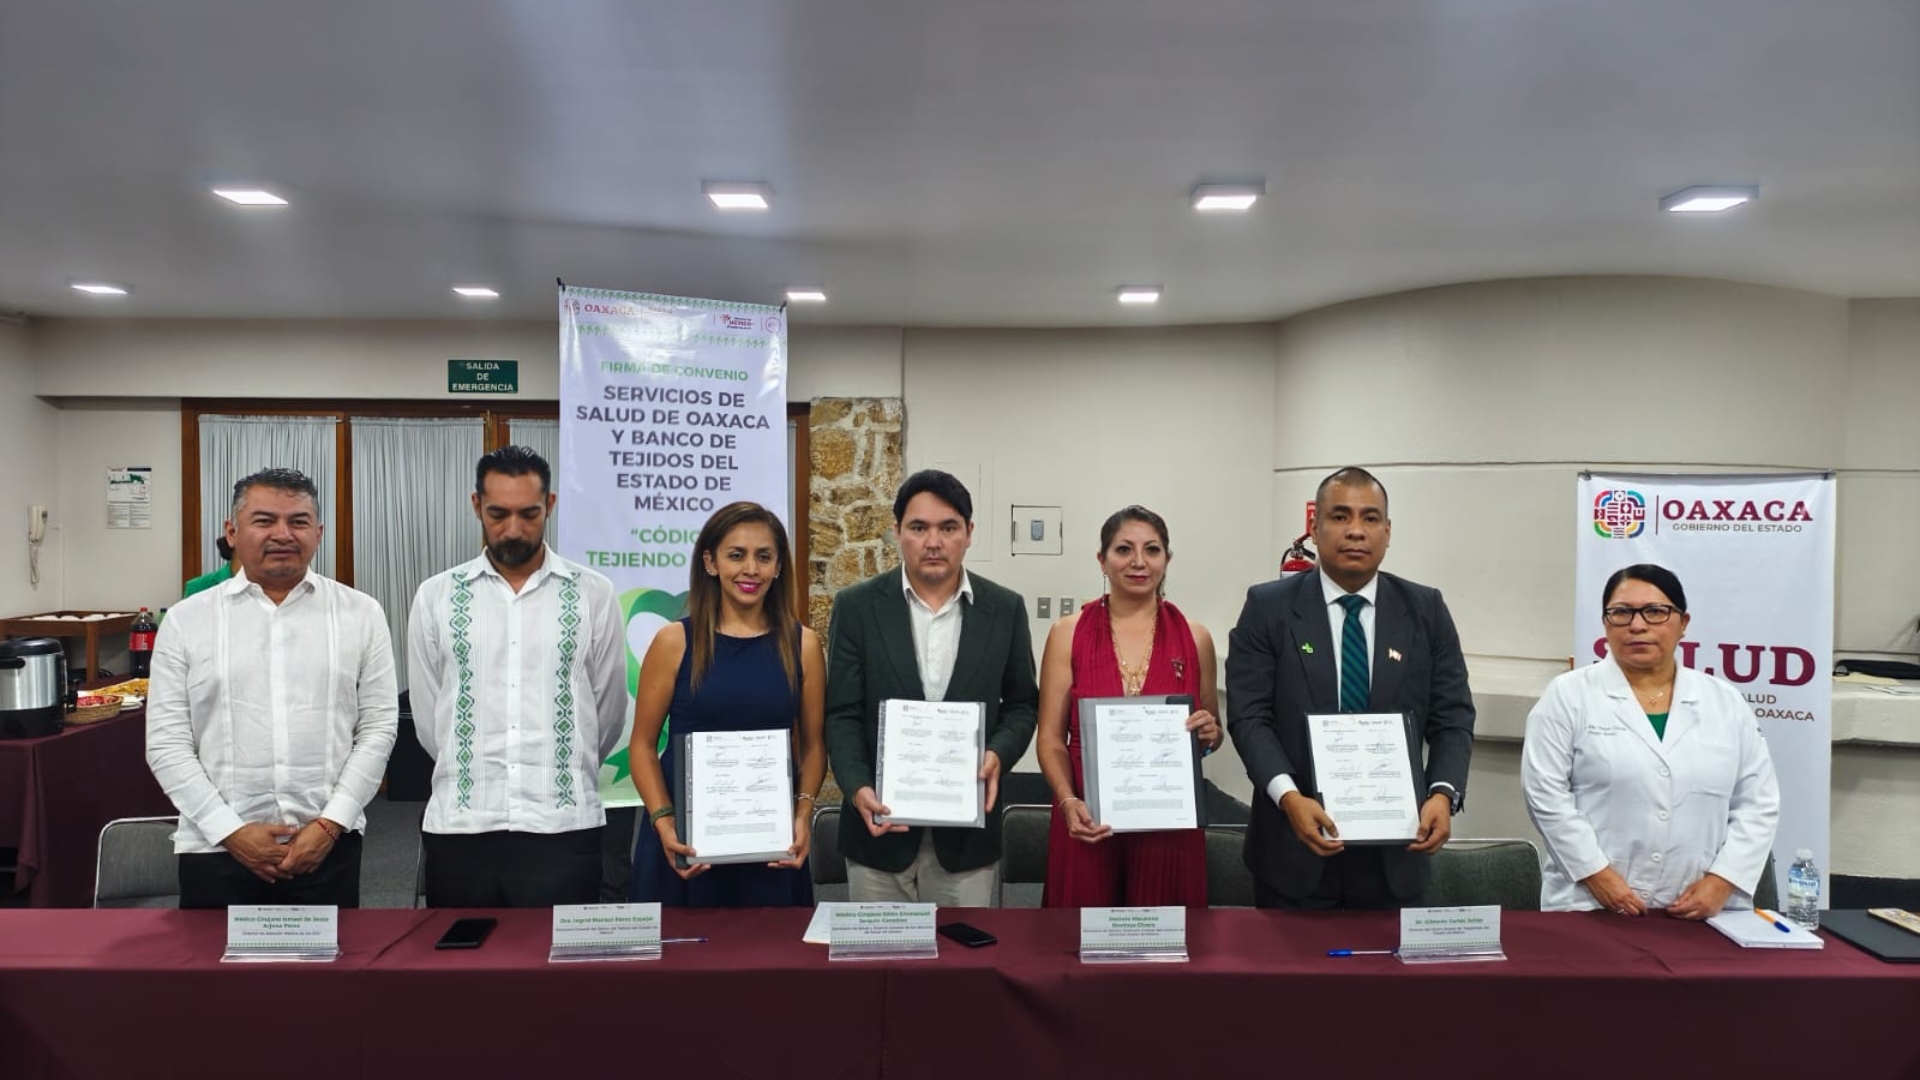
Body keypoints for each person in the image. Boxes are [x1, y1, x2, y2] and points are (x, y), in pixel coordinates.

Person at [1225, 466, 1476, 909]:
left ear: (1388, 530)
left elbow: (1453, 716)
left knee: (1388, 979)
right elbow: (1250, 717)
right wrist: (1288, 797)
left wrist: (1443, 792)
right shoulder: (1268, 608)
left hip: (1398, 852)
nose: (1356, 531)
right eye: (1340, 517)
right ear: (1314, 528)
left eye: (1370, 518)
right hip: (1293, 849)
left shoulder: (1426, 609)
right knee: (1292, 979)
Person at [146, 468, 397, 909]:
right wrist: (230, 831)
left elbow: (378, 729)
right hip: (217, 848)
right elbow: (166, 743)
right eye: (264, 521)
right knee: (213, 977)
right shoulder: (187, 620)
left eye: (298, 522)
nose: (282, 534)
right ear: (232, 531)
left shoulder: (362, 614)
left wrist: (329, 825)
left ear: (318, 533)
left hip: (325, 849)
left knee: (325, 975)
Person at [407, 447, 628, 907]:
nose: (513, 529)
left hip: (563, 826)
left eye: (528, 514)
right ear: (475, 506)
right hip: (462, 827)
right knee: (462, 965)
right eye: (497, 514)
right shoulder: (437, 596)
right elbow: (431, 720)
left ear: (549, 505)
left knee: (557, 971)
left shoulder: (593, 593)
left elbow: (605, 712)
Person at [824, 469, 1040, 906]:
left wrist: (997, 754)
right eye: (918, 528)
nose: (933, 541)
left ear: (969, 533)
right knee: (880, 966)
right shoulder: (857, 607)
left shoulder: (1005, 608)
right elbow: (842, 713)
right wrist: (857, 787)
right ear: (897, 532)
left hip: (967, 841)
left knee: (963, 968)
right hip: (878, 832)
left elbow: (1021, 704)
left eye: (948, 527)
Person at [1522, 564, 1780, 917]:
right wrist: (1595, 875)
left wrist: (1722, 881)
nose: (1637, 625)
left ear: (1683, 623)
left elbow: (1758, 802)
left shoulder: (1724, 702)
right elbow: (1544, 795)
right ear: (1605, 623)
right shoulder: (1568, 696)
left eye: (1656, 612)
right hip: (1591, 904)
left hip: (1702, 907)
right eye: (1621, 613)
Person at [627, 502, 826, 906]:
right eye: (736, 555)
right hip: (684, 846)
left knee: (769, 963)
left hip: (771, 846)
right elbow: (643, 746)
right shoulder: (674, 642)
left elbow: (814, 746)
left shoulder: (803, 645)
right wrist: (664, 824)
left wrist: (803, 817)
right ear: (710, 562)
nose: (750, 569)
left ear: (778, 567)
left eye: (764, 556)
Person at [1036, 506, 1222, 906]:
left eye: (1152, 550)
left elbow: (1211, 733)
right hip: (1086, 814)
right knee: (1078, 942)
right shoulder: (1068, 633)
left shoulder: (1196, 637)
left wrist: (1210, 733)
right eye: (1123, 549)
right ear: (1102, 560)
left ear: (1167, 560)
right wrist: (1068, 801)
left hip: (1168, 821)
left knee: (1164, 944)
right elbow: (1050, 737)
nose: (1139, 562)